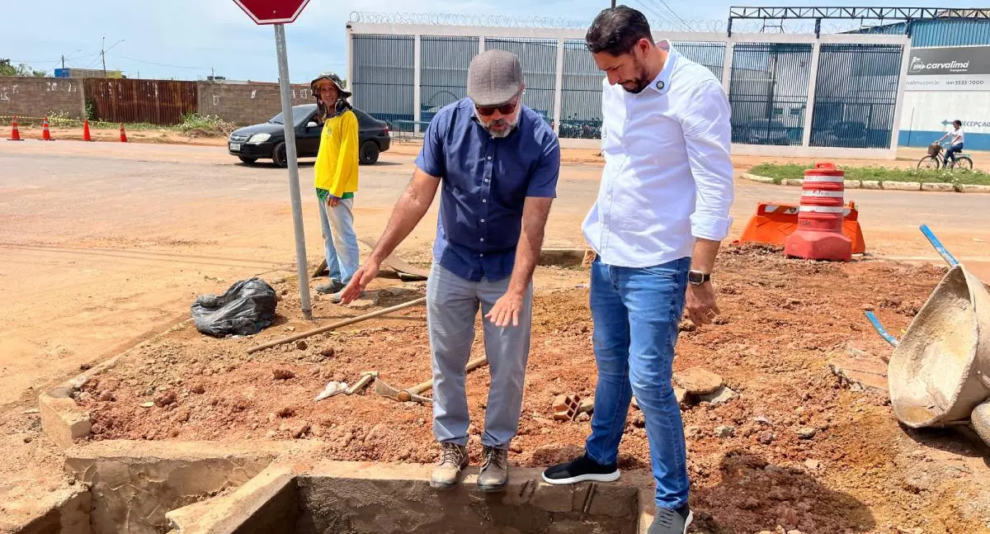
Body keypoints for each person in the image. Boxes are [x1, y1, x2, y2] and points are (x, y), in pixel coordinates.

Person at [541, 7, 734, 534]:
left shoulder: (696, 90)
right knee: (611, 367)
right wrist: (598, 241)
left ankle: (674, 502)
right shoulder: (618, 87)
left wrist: (699, 276)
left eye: (616, 68)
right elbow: (621, 167)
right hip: (609, 258)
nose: (611, 80)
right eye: (603, 71)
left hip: (659, 263)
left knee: (649, 380)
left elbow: (716, 186)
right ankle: (601, 457)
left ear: (643, 47)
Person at [339, 50, 561, 492]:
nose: (496, 118)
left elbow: (532, 225)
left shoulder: (542, 141)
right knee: (447, 362)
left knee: (508, 366)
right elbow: (416, 196)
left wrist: (517, 291)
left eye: (505, 108)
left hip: (505, 269)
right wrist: (377, 257)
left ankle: (496, 447)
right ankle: (452, 445)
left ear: (522, 93)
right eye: (485, 110)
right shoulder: (447, 124)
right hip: (453, 263)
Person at [311, 72, 361, 303]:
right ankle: (338, 277)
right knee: (329, 237)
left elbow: (347, 156)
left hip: (336, 190)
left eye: (331, 89)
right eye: (323, 90)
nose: (327, 93)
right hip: (323, 187)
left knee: (343, 236)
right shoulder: (329, 118)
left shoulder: (347, 118)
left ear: (339, 92)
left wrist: (337, 189)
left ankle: (351, 284)